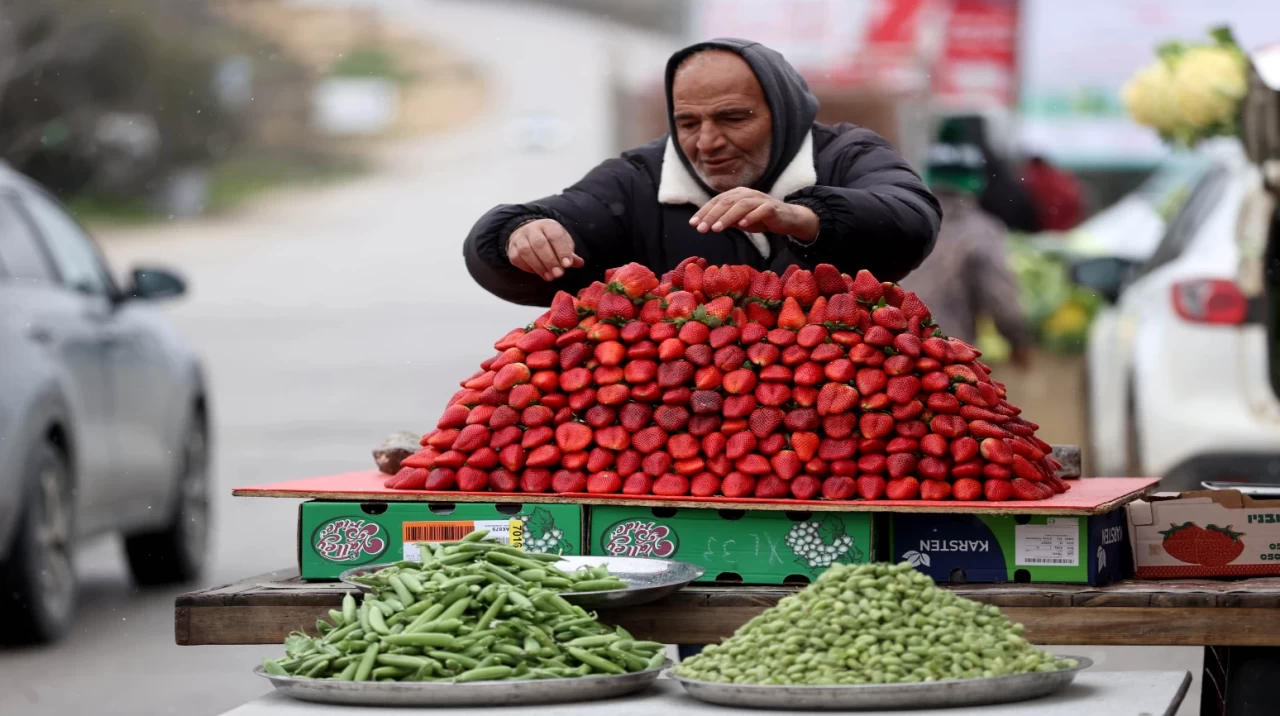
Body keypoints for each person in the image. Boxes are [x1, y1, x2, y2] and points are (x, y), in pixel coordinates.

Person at [463, 39, 941, 306]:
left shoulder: (845, 154)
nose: (706, 142)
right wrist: (518, 236)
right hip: (679, 425)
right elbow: (554, 223)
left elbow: (912, 218)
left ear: (786, 112)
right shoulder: (639, 179)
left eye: (734, 118)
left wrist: (802, 217)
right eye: (688, 122)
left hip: (832, 417)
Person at [899, 141, 1033, 368]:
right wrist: (1018, 341)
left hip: (886, 351)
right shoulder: (981, 230)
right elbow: (1001, 298)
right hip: (945, 353)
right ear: (976, 180)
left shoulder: (900, 220)